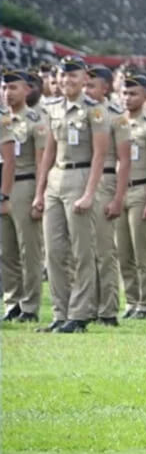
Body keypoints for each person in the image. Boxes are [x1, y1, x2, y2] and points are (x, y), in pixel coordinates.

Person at [33, 55, 112, 333]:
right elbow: (48, 153)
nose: (67, 81)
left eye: (73, 76)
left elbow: (100, 155)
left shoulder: (95, 110)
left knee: (81, 251)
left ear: (84, 79)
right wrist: (40, 192)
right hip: (56, 177)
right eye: (63, 76)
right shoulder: (53, 108)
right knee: (54, 251)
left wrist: (90, 193)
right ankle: (60, 312)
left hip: (81, 178)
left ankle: (79, 315)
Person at [0, 70, 48, 323]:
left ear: (27, 90)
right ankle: (13, 302)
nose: (8, 93)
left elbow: (42, 163)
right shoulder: (2, 120)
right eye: (5, 88)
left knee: (29, 250)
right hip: (3, 188)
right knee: (6, 250)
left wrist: (39, 196)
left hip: (25, 185)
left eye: (13, 88)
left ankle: (30, 306)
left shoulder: (35, 121)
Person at [86, 65, 132, 326]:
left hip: (105, 180)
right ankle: (87, 305)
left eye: (92, 86)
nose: (87, 91)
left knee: (104, 250)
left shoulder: (116, 116)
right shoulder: (83, 113)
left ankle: (108, 309)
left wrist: (117, 198)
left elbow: (124, 161)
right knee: (85, 250)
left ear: (106, 87)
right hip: (83, 179)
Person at [114, 72, 146, 320]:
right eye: (124, 92)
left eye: (133, 93)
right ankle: (131, 300)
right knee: (123, 252)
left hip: (141, 189)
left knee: (142, 251)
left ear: (144, 96)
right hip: (119, 191)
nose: (127, 98)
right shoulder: (117, 123)